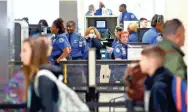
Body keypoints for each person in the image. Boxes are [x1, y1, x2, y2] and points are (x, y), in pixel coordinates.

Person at [21, 37, 60, 112]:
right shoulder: (33, 76)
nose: (21, 55)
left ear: (34, 52)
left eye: (24, 51)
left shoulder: (43, 79)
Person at [139, 46, 177, 112]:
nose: (140, 63)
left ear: (151, 61)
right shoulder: (165, 78)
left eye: (142, 60)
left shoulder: (159, 86)